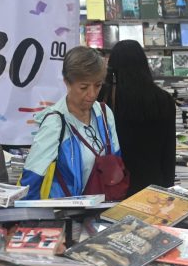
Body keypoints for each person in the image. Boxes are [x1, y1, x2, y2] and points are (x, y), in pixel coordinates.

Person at [21, 46, 121, 199]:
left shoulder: (104, 113)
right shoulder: (55, 122)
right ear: (67, 82)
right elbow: (32, 178)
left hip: (101, 211)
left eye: (98, 85)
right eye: (84, 87)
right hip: (66, 215)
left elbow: (115, 161)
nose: (92, 94)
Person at [100, 40, 176, 196]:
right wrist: (168, 186)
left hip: (115, 183)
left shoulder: (105, 98)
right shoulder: (164, 99)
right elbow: (169, 152)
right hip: (154, 185)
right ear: (144, 64)